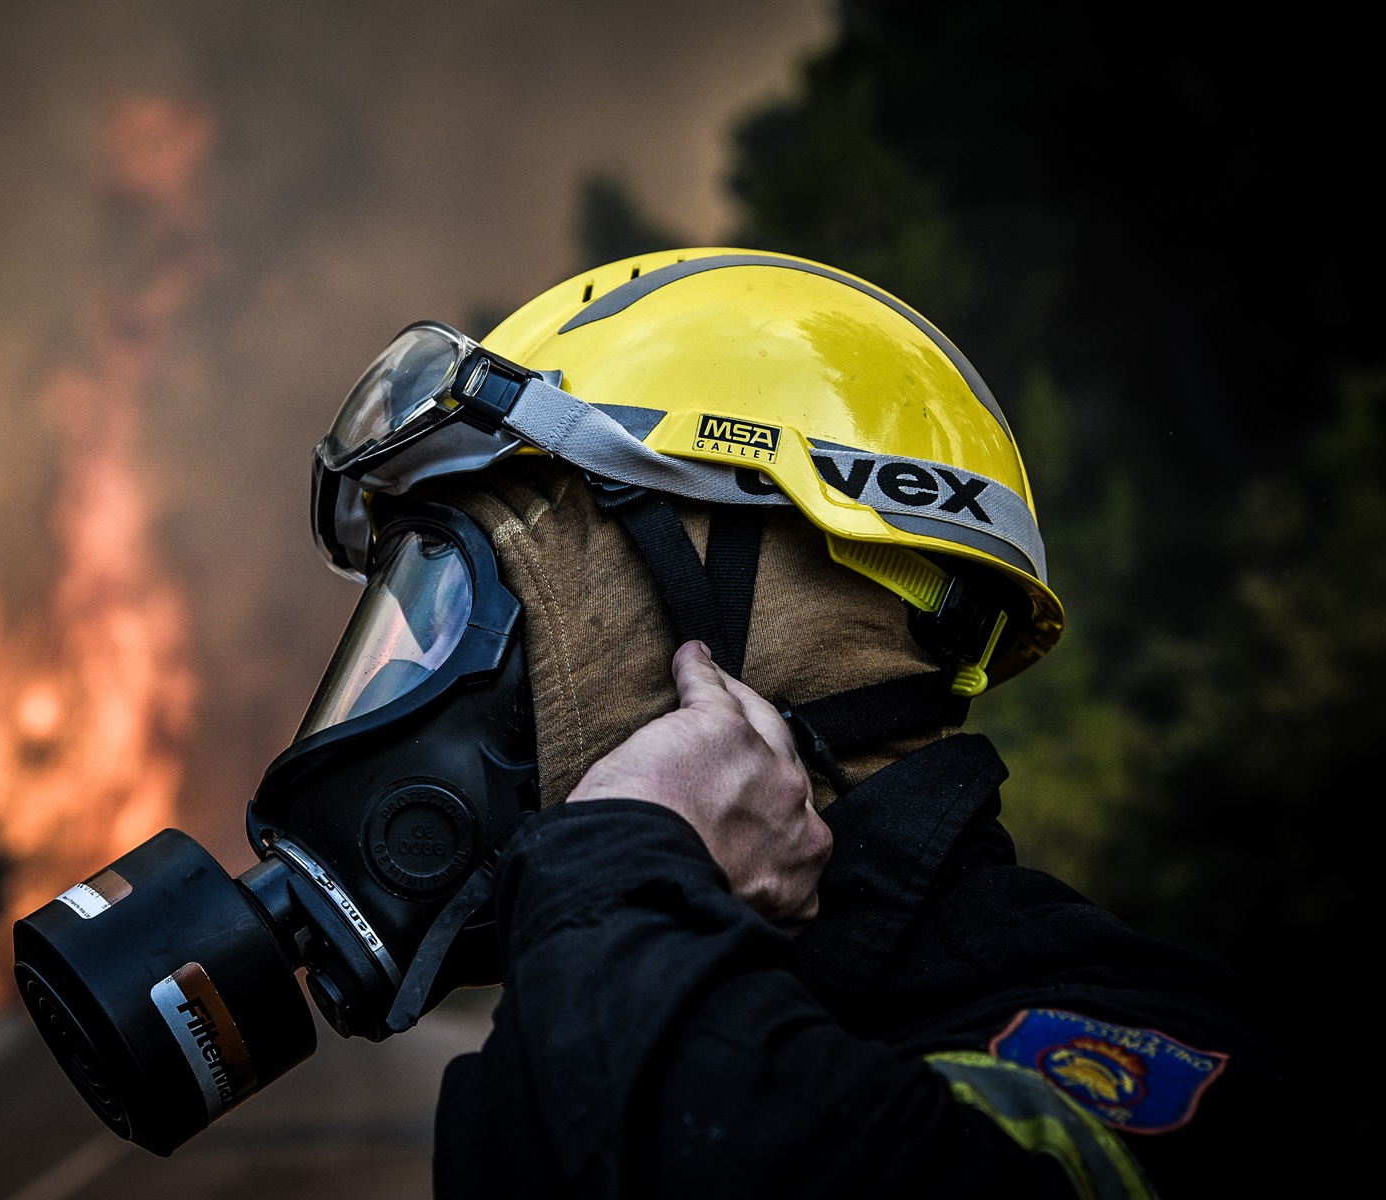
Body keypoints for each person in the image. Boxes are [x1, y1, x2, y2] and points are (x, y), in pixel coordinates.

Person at [306, 250, 1279, 1198]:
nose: (437, 668)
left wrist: (621, 873)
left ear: (740, 601)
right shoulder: (585, 988)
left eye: (490, 589)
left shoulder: (1144, 1048)